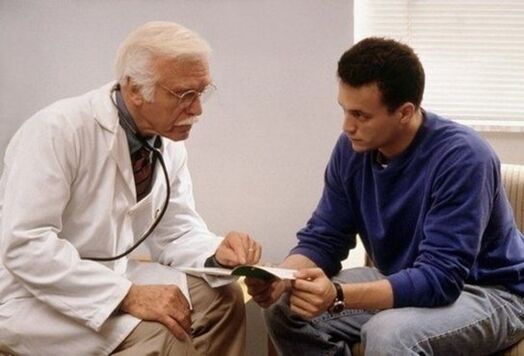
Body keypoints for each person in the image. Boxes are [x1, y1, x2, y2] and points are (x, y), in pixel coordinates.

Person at [247, 37, 524, 355]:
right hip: (404, 275)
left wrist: (336, 295)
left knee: (389, 333)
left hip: (490, 291)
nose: (347, 126)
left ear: (405, 112)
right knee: (285, 309)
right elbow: (324, 238)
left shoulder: (463, 157)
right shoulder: (352, 149)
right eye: (344, 110)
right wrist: (284, 277)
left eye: (361, 115)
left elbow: (441, 278)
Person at [0, 21, 261, 355]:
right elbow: (25, 245)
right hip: (34, 295)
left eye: (202, 92)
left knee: (223, 299)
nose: (197, 110)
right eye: (184, 95)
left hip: (112, 276)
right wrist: (127, 295)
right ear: (135, 90)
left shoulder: (164, 142)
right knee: (165, 333)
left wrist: (217, 253)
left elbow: (175, 232)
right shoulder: (57, 131)